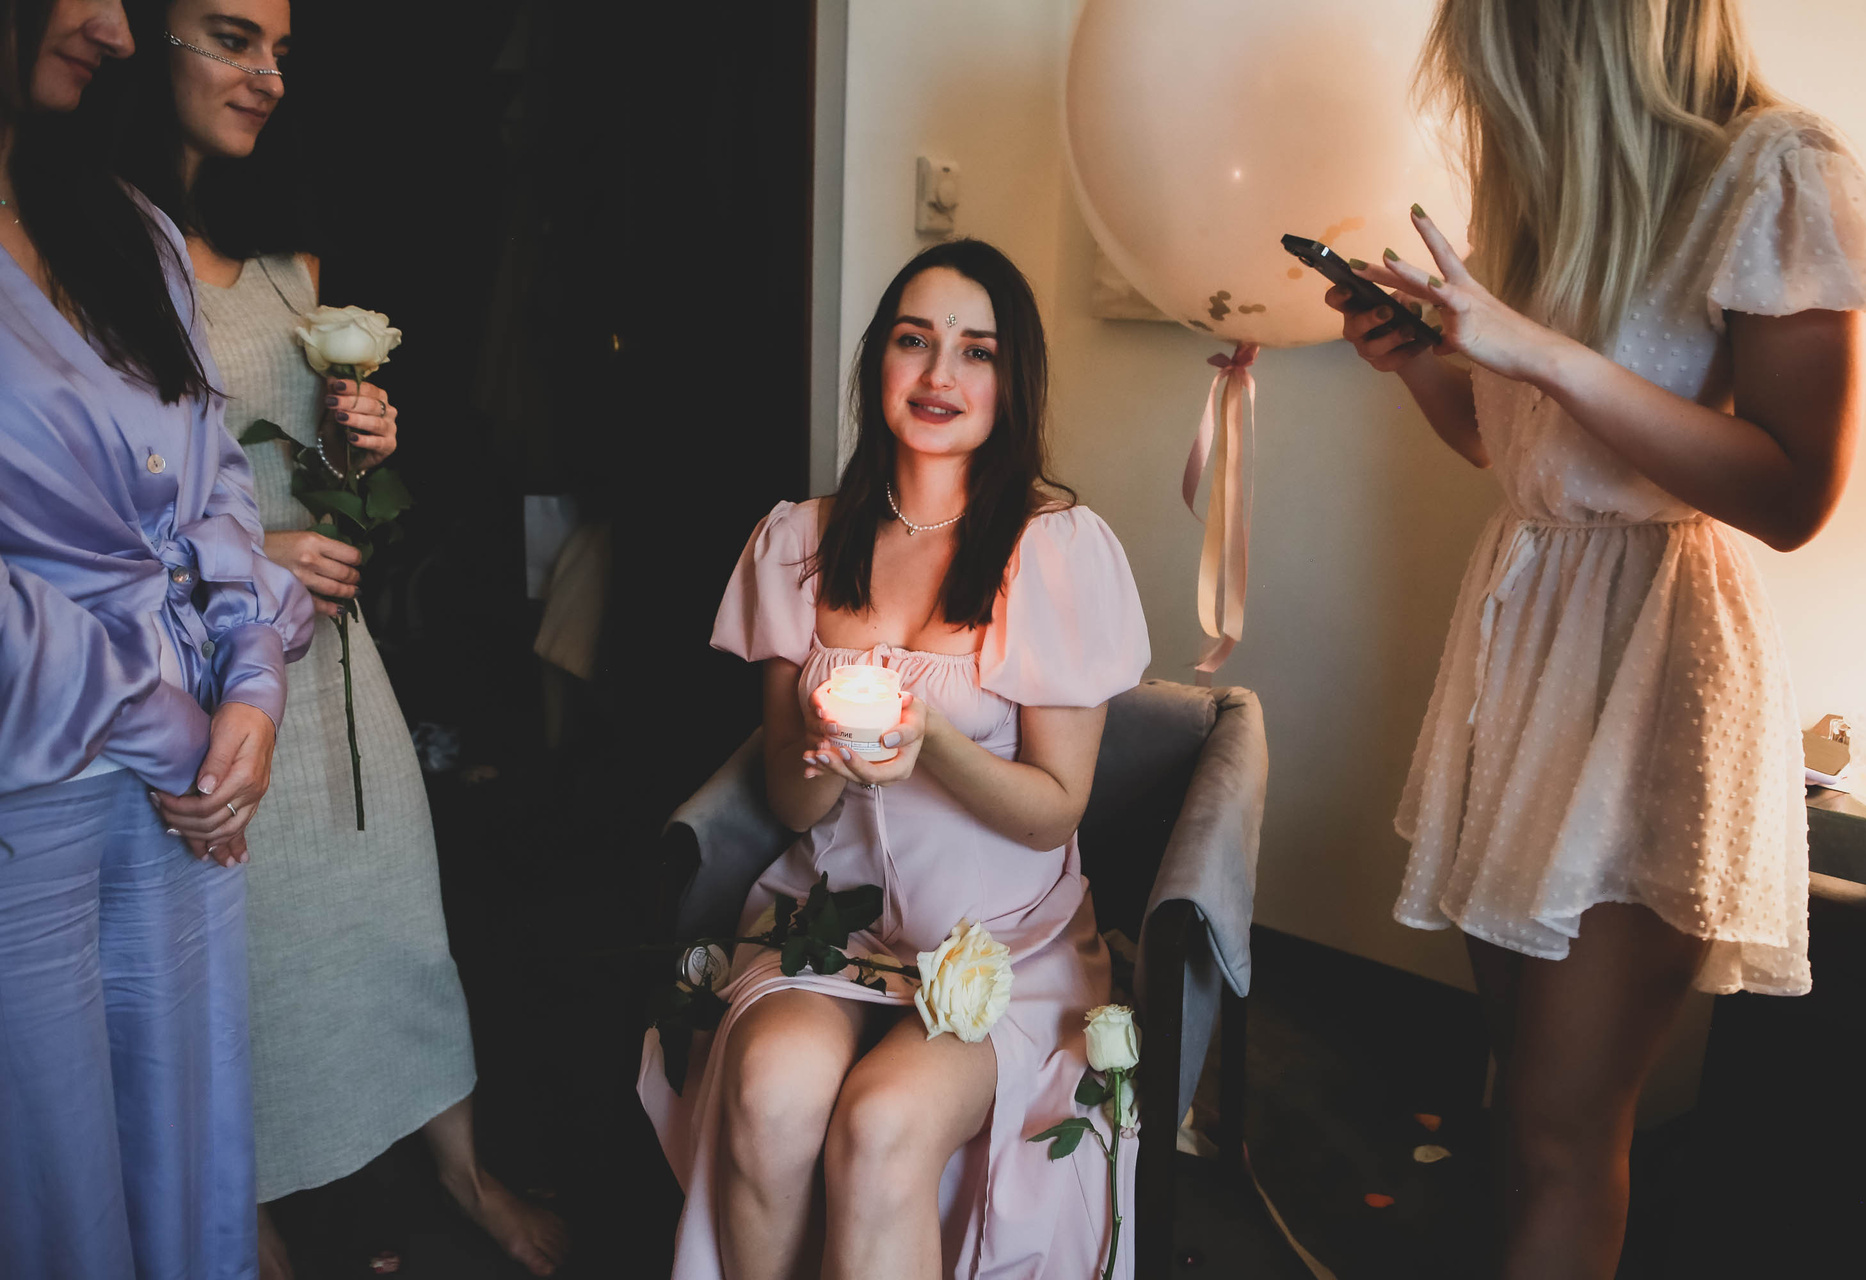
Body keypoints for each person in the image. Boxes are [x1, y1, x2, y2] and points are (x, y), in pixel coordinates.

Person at [1318, 0, 1866, 1274]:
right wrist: (1421, 365)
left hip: (1653, 660)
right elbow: (1527, 455)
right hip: (1525, 648)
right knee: (1520, 1085)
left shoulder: (1776, 169)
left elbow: (1795, 495)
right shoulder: (1559, 190)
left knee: (1563, 1120)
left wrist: (1544, 353)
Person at [107, 0, 568, 1274]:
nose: (266, 73)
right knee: (241, 947)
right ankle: (244, 1213)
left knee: (394, 910)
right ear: (146, 38)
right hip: (200, 670)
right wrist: (258, 550)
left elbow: (323, 490)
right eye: (233, 39)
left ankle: (466, 1172)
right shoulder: (96, 257)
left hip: (333, 661)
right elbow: (90, 506)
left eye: (280, 52)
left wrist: (362, 453)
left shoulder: (284, 268)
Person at [638, 238, 1151, 1279]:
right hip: (834, 924)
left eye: (976, 350)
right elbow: (789, 802)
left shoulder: (1054, 548)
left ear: (1012, 380)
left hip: (1001, 944)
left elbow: (1057, 808)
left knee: (880, 1125)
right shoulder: (799, 541)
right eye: (915, 341)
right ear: (879, 360)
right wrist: (833, 751)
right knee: (768, 1090)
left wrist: (931, 744)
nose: (939, 374)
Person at [0, 0, 314, 1273]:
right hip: (34, 792)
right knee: (58, 1191)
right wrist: (172, 723)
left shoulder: (125, 226)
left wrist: (252, 677)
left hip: (188, 801)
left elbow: (213, 476)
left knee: (190, 1153)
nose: (115, 31)